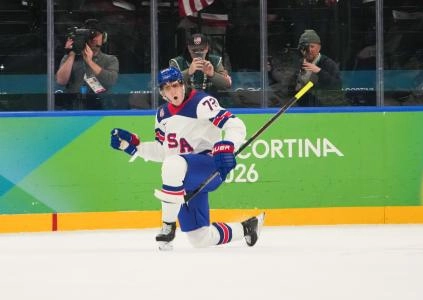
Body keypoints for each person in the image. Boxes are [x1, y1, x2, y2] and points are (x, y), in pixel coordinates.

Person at [109, 66, 265, 251]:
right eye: (167, 88)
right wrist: (134, 147)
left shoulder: (202, 102)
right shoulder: (162, 115)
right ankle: (247, 228)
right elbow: (164, 152)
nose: (173, 91)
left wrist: (228, 145)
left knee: (173, 164)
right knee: (199, 238)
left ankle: (168, 226)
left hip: (210, 168)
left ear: (183, 85)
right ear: (162, 92)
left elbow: (236, 125)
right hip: (182, 178)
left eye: (175, 85)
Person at [55, 19, 119, 109]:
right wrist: (72, 53)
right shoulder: (69, 57)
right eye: (90, 35)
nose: (93, 38)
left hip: (101, 106)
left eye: (96, 35)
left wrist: (89, 62)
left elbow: (111, 81)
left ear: (104, 38)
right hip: (73, 107)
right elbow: (60, 81)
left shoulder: (110, 59)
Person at [295, 29, 344, 106]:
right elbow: (292, 91)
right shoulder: (298, 64)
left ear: (319, 48)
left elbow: (337, 87)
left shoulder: (328, 63)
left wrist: (319, 71)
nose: (309, 50)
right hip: (302, 108)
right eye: (305, 47)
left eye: (312, 46)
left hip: (325, 107)